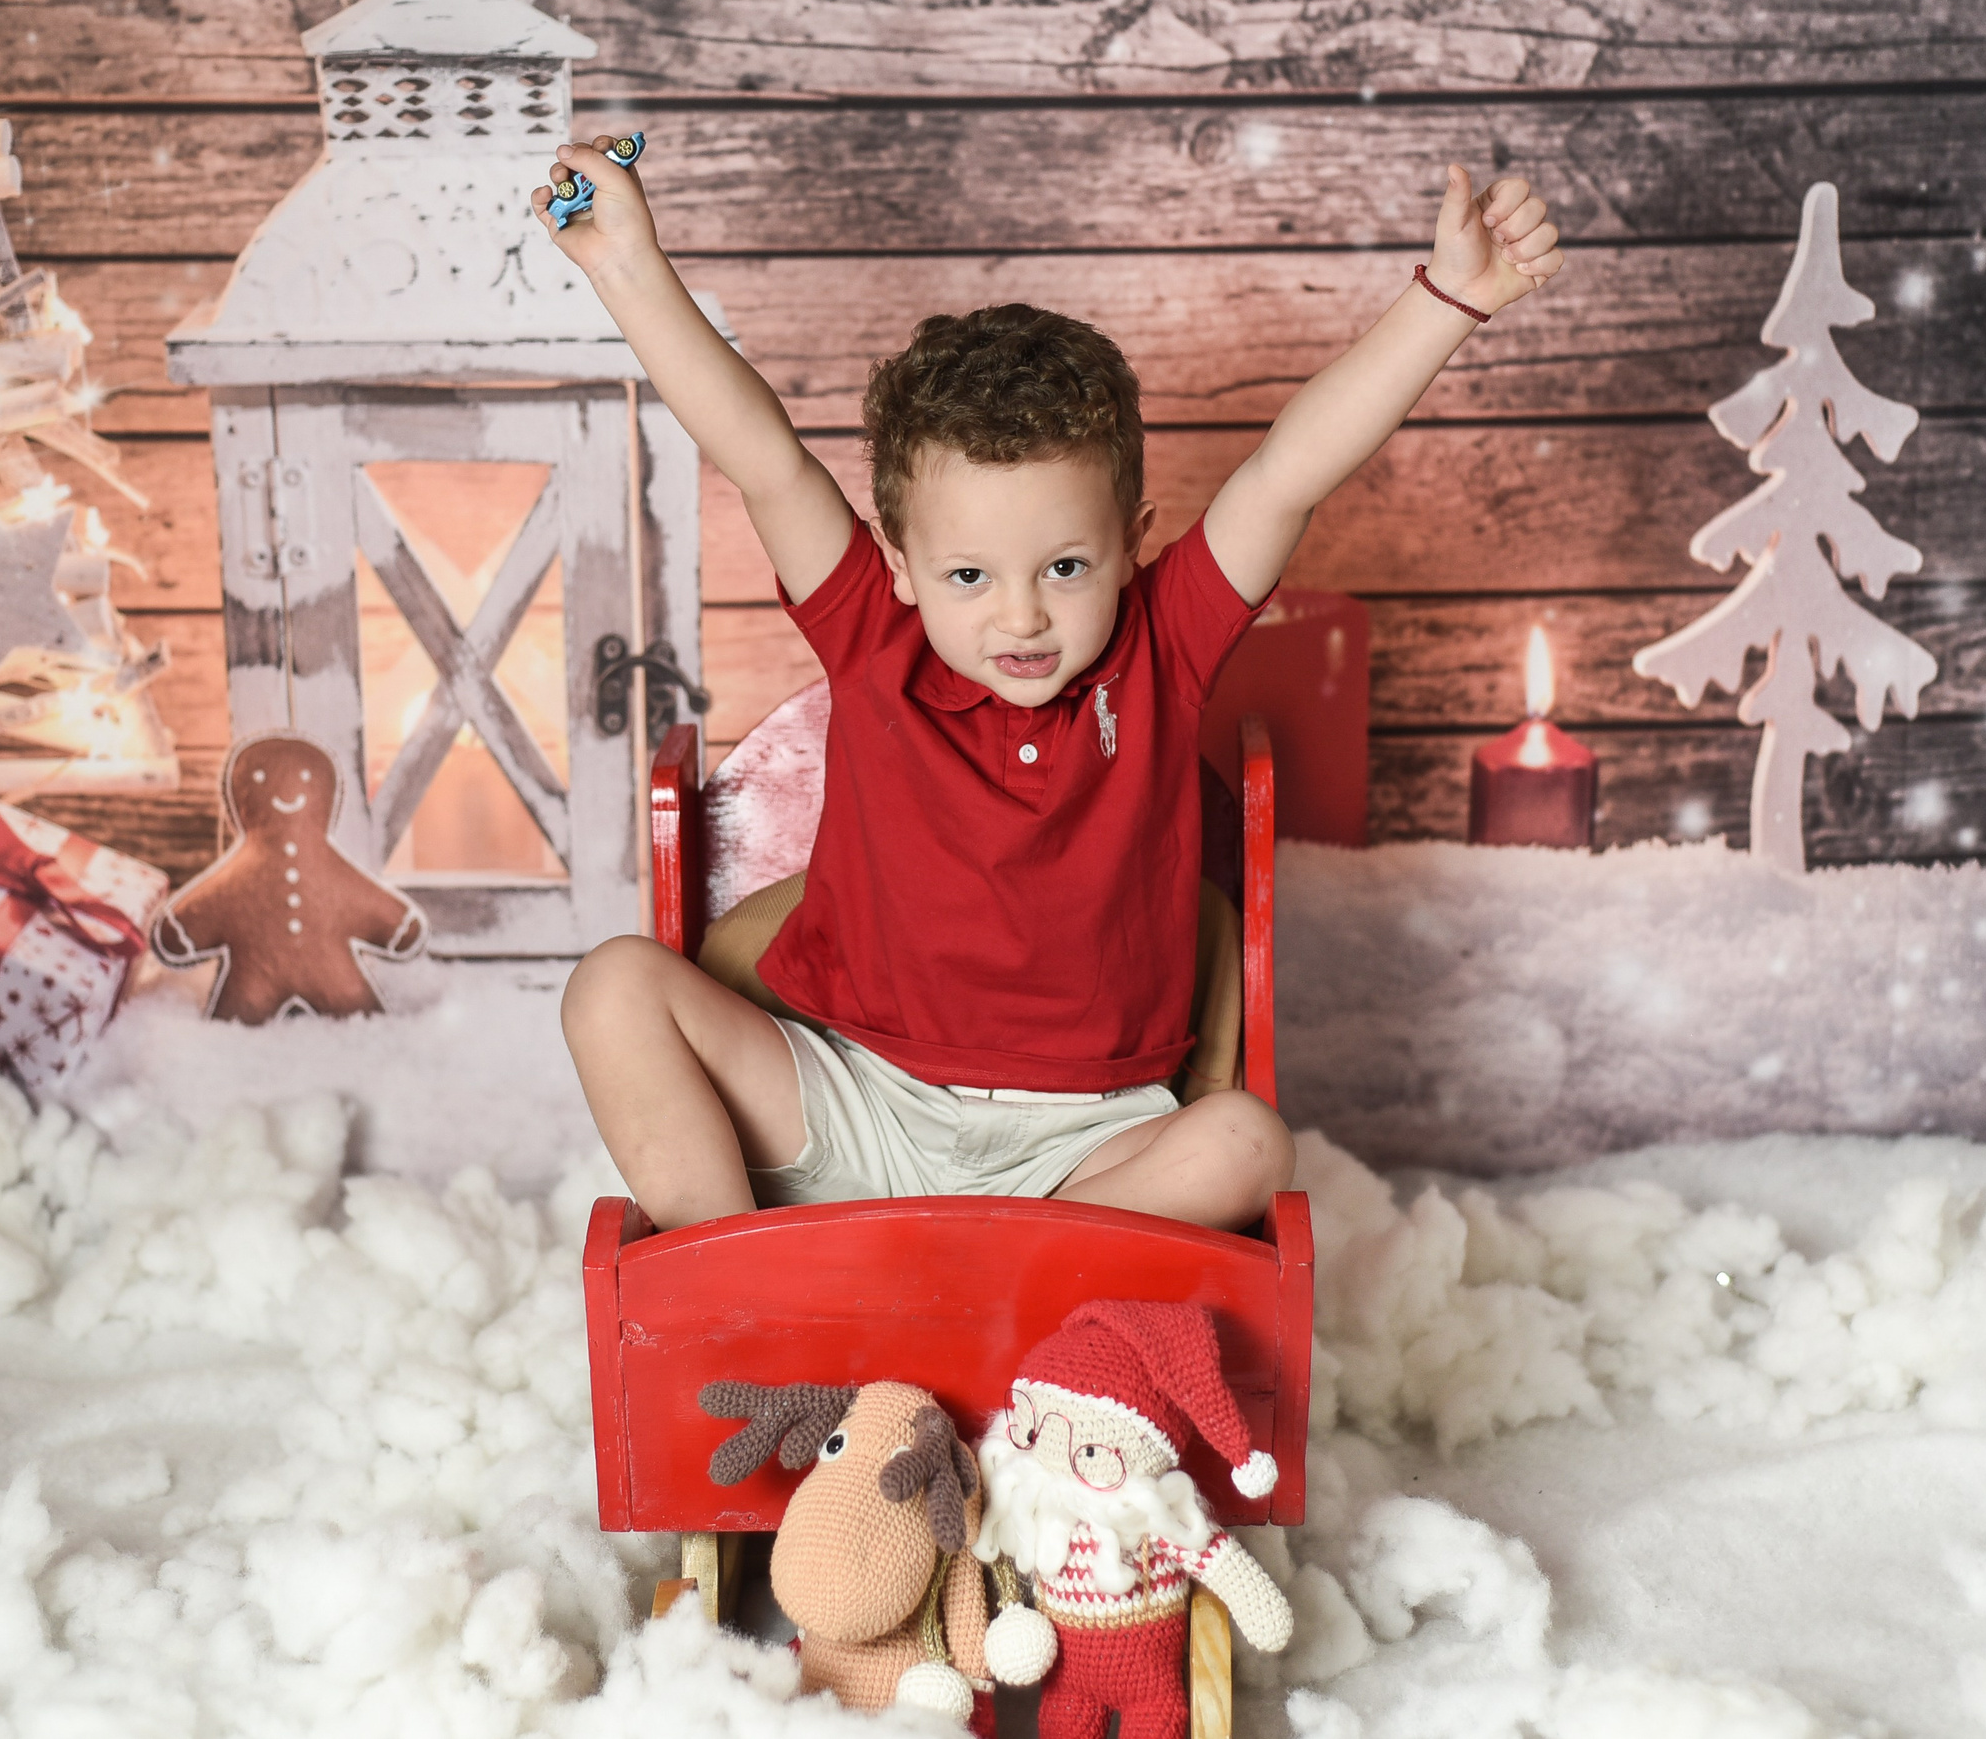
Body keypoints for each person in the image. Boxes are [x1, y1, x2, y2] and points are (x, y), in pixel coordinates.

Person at [543, 140, 1561, 1231]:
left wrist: (1448, 298)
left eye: (1063, 568)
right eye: (969, 576)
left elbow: (1288, 471)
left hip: (1080, 1149)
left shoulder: (1161, 648)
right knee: (613, 985)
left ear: (1130, 545)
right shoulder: (871, 633)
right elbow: (762, 456)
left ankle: (981, 1280)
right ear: (899, 565)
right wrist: (628, 268)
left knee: (1247, 1144)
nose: (1019, 615)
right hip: (855, 1103)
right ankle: (732, 1271)